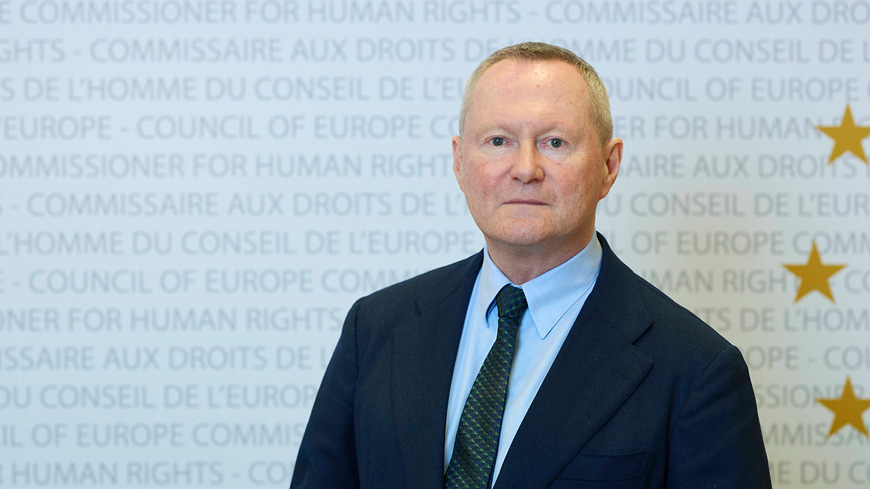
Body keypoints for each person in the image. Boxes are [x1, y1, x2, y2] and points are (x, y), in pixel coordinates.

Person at [290, 42, 772, 489]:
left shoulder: (697, 370)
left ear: (609, 165)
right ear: (459, 162)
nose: (524, 168)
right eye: (498, 141)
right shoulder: (376, 327)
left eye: (554, 143)